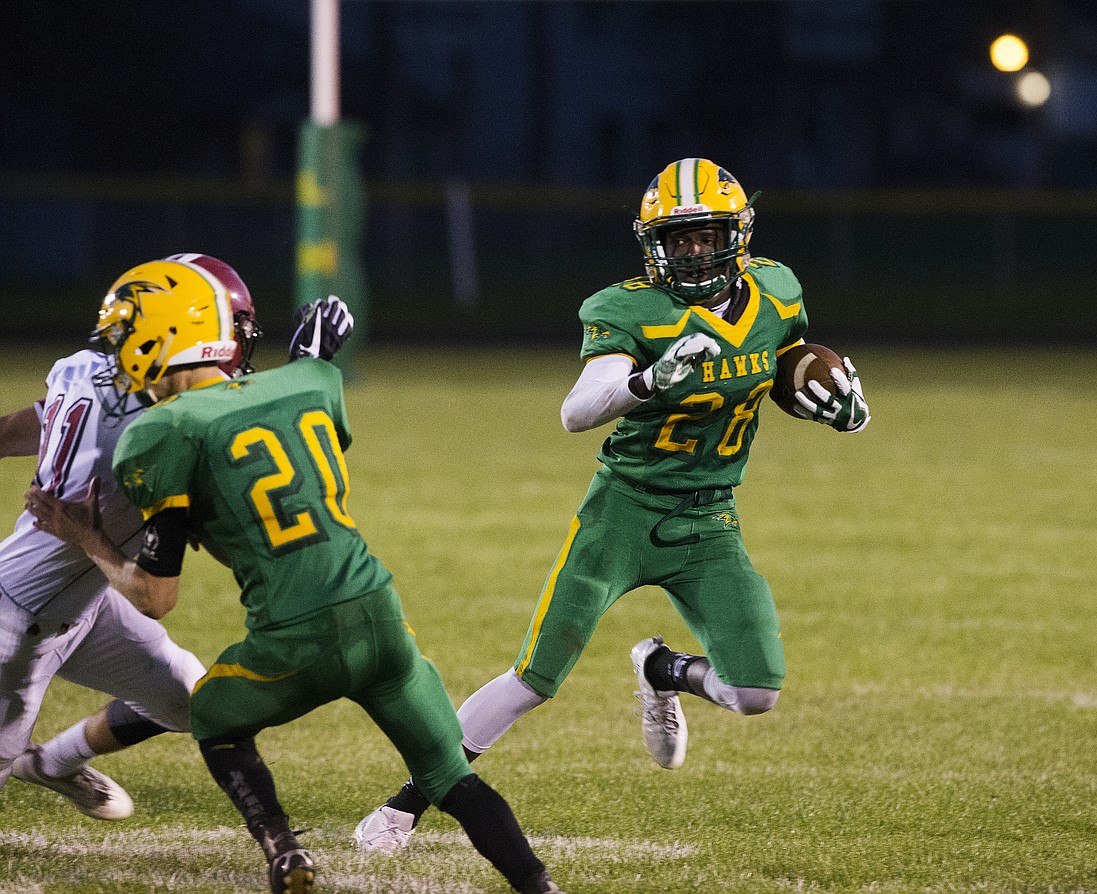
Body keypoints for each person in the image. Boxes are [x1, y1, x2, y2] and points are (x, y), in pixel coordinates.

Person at [352, 157, 871, 852]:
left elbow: (789, 361)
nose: (691, 251)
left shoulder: (776, 291)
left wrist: (844, 410)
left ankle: (663, 671)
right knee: (534, 678)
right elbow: (576, 411)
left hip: (710, 518)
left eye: (705, 235)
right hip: (623, 513)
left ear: (736, 235)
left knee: (757, 692)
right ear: (651, 243)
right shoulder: (627, 307)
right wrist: (649, 380)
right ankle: (400, 808)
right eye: (676, 238)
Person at [24, 260, 565, 894]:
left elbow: (155, 597)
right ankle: (540, 888)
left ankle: (282, 851)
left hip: (294, 638)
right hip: (379, 614)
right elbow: (289, 471)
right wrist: (310, 358)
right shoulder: (309, 382)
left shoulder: (160, 431)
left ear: (157, 341)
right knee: (452, 778)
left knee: (214, 717)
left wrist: (83, 534)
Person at [0, 253, 261, 821]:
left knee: (195, 698)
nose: (230, 346)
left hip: (85, 605)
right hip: (15, 625)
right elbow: (159, 594)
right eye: (221, 328)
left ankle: (50, 763)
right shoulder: (162, 430)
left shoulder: (82, 366)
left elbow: (48, 416)